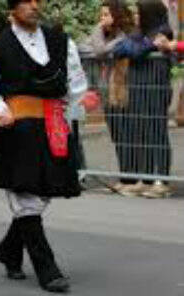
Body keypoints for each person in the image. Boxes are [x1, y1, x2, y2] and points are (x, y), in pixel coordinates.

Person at [0, 0, 90, 293]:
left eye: (37, 0)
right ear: (12, 9)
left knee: (44, 193)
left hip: (52, 124)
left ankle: (10, 248)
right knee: (26, 196)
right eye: (26, 1)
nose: (34, 5)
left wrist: (62, 113)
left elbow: (75, 85)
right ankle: (46, 268)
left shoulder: (61, 42)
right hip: (17, 127)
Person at [113, 0, 173, 198]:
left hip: (156, 86)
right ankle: (144, 179)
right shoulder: (140, 33)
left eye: (139, 13)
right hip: (138, 87)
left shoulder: (163, 30)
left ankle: (161, 181)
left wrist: (140, 47)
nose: (136, 17)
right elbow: (120, 49)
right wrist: (147, 45)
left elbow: (135, 51)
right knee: (141, 133)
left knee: (157, 133)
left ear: (150, 13)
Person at [82, 0, 135, 193]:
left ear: (116, 16)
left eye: (106, 15)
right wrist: (100, 48)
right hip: (108, 94)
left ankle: (131, 178)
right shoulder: (105, 35)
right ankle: (125, 177)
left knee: (127, 137)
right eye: (100, 15)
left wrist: (99, 42)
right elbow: (85, 47)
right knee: (117, 137)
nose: (101, 19)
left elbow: (99, 50)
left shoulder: (123, 35)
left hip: (123, 93)